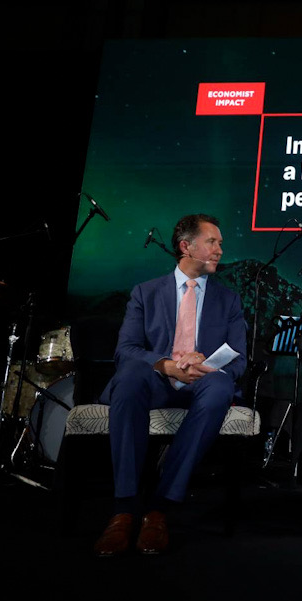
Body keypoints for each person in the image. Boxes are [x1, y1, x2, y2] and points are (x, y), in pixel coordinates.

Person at [92, 214, 246, 556]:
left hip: (203, 383)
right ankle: (124, 510)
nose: (220, 250)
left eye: (220, 243)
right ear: (186, 246)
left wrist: (205, 366)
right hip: (156, 380)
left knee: (220, 387)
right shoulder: (145, 293)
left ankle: (159, 508)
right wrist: (168, 366)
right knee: (129, 376)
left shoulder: (229, 300)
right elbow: (126, 350)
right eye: (212, 242)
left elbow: (239, 361)